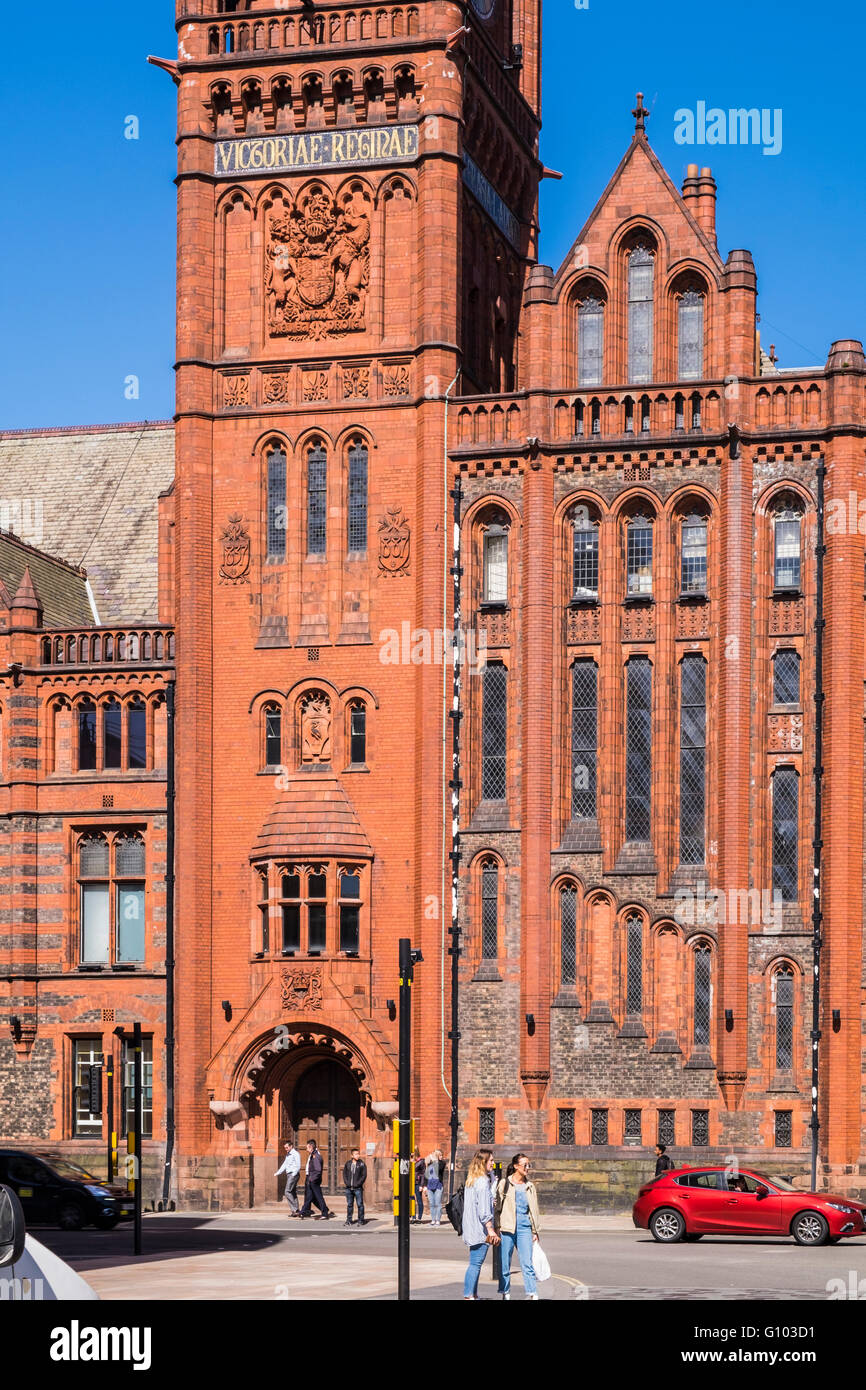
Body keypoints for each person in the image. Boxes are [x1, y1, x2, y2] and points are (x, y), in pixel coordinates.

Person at [494, 1153, 540, 1301]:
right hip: (507, 1228)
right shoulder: (504, 1183)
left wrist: (535, 1231)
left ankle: (532, 1293)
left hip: (524, 1228)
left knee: (527, 1263)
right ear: (515, 1166)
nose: (527, 1167)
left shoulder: (530, 1186)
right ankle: (505, 1292)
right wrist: (496, 1227)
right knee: (505, 1264)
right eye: (524, 1165)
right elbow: (497, 1208)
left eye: (529, 1165)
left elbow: (534, 1210)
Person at [462, 1150, 500, 1300]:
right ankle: (468, 1295)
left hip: (472, 1228)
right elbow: (484, 1211)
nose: (493, 1163)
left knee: (475, 1263)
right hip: (480, 1230)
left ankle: (473, 1294)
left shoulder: (472, 1179)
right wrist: (490, 1229)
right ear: (483, 1162)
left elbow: (478, 1203)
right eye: (490, 1160)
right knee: (475, 1264)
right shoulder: (482, 1182)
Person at [298, 1140, 334, 1219]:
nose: (306, 1149)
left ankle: (324, 1213)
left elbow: (318, 1170)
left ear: (311, 1147)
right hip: (311, 1179)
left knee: (318, 1197)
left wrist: (312, 1179)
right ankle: (303, 1211)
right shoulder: (313, 1155)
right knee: (310, 1197)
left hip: (314, 1180)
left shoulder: (316, 1156)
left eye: (307, 1147)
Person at [274, 1139, 301, 1216]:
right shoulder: (288, 1154)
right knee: (292, 1192)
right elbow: (284, 1165)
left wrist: (293, 1174)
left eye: (286, 1147)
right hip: (289, 1174)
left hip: (293, 1174)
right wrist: (278, 1172)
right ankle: (296, 1211)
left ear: (291, 1146)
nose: (285, 1149)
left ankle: (295, 1209)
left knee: (287, 1191)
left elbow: (298, 1165)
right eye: (285, 1147)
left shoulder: (295, 1154)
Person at [342, 1147, 367, 1226]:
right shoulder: (348, 1164)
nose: (358, 1155)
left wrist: (358, 1184)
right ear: (352, 1156)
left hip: (358, 1188)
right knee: (349, 1205)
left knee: (360, 1204)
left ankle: (361, 1220)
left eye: (358, 1154)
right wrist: (347, 1183)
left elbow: (364, 1175)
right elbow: (344, 1174)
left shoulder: (361, 1164)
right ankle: (349, 1220)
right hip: (349, 1188)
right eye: (356, 1154)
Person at [425, 1148, 444, 1227]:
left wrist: (435, 1161)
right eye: (440, 1155)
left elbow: (439, 1169)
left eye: (442, 1155)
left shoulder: (442, 1163)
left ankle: (438, 1220)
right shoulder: (430, 1164)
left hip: (438, 1185)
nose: (442, 1157)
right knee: (432, 1203)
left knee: (438, 1203)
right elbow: (426, 1174)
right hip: (430, 1185)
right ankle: (433, 1220)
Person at [412, 1147, 426, 1225]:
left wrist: (421, 1185)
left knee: (419, 1200)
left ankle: (419, 1218)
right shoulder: (409, 1160)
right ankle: (413, 1217)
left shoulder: (421, 1161)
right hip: (410, 1184)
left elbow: (423, 1174)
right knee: (411, 1200)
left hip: (417, 1183)